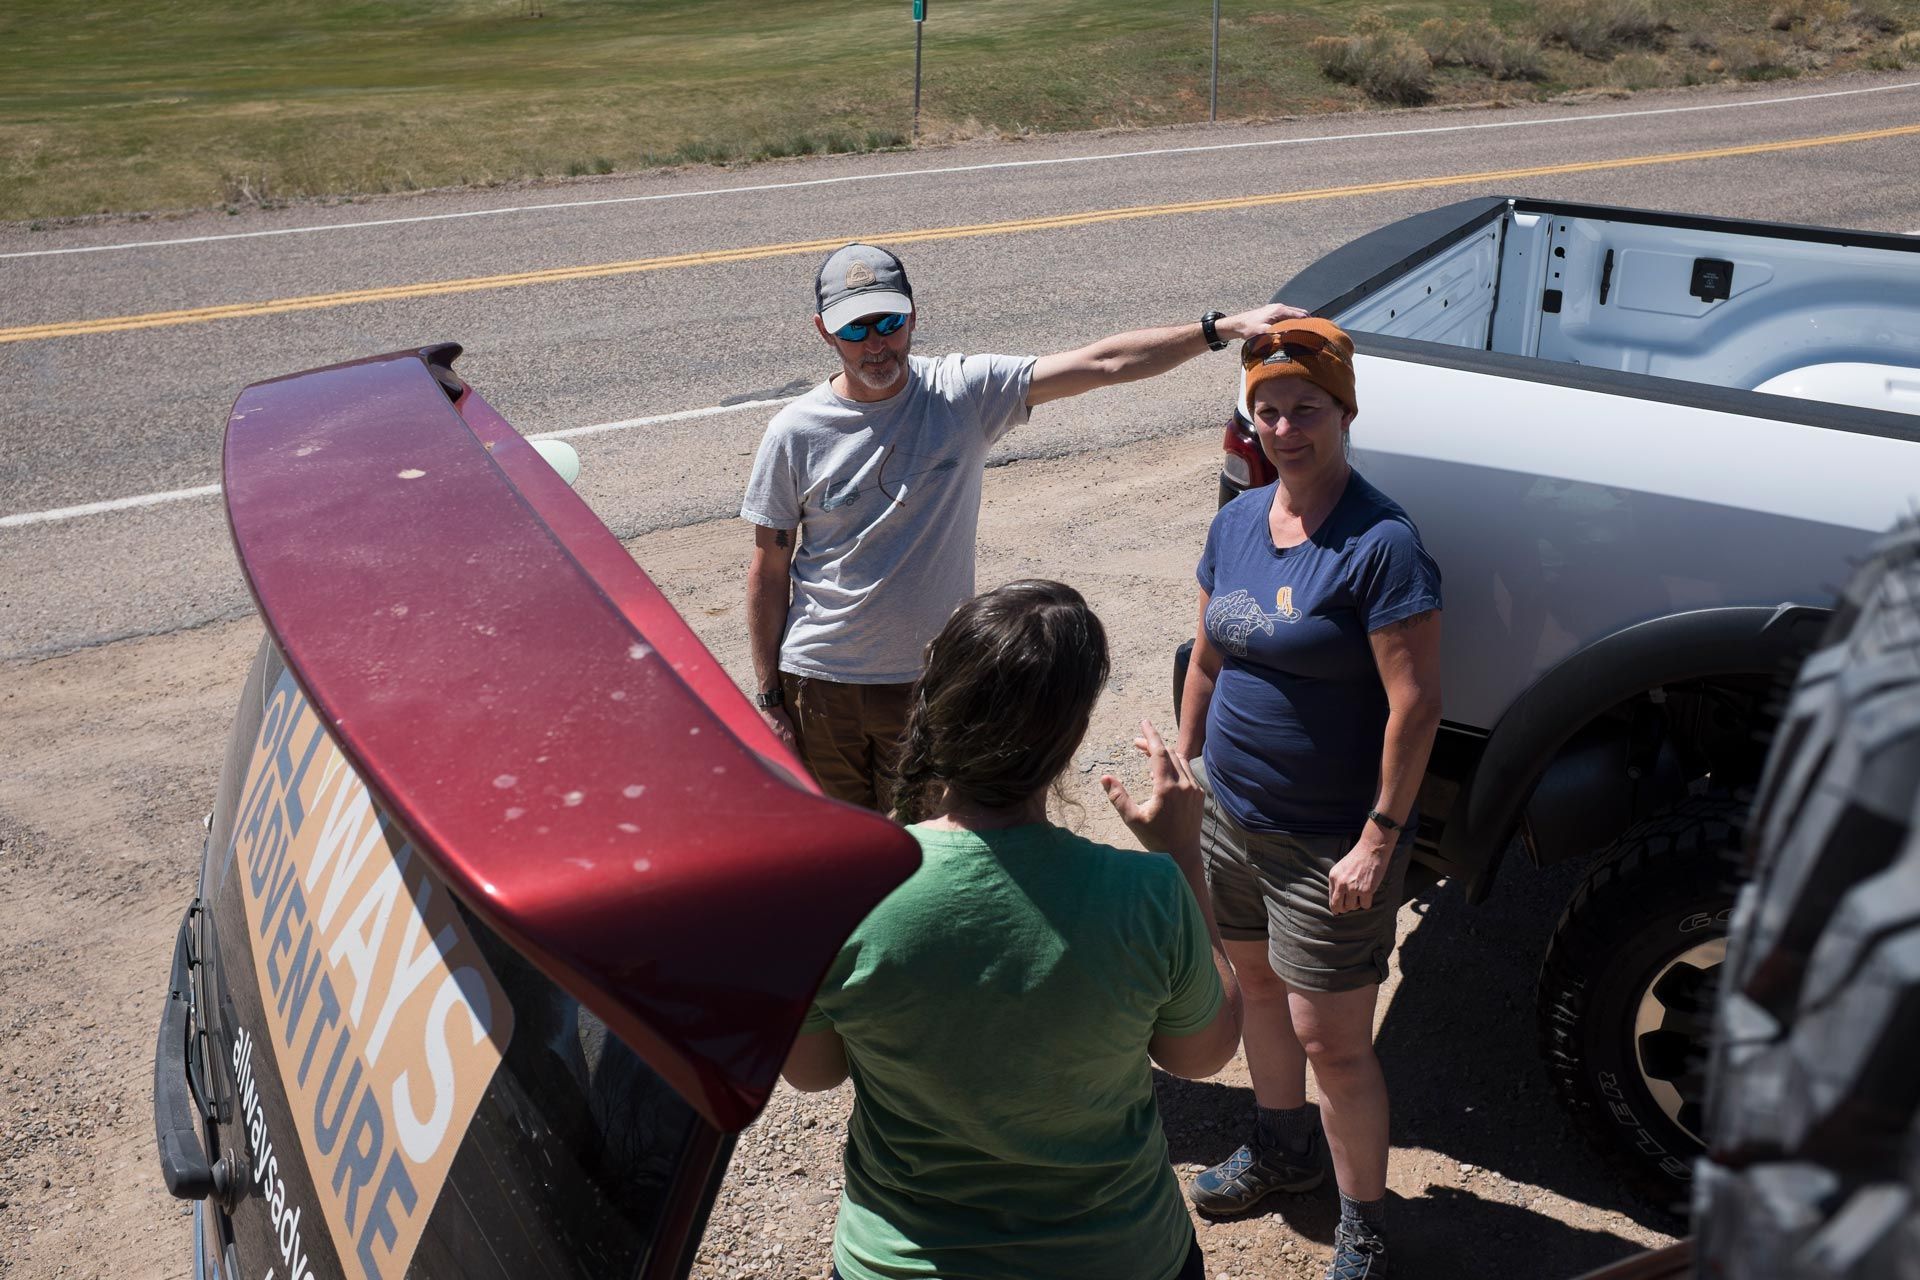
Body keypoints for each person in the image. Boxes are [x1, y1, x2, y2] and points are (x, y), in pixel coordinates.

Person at [781, 579, 1244, 1280]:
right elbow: (1202, 1055)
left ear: (934, 702)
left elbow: (812, 1073)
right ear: (1070, 737)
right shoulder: (1147, 895)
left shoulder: (834, 896)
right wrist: (1182, 854)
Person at [742, 241, 1304, 810]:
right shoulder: (797, 432)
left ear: (913, 315)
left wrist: (1223, 328)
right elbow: (769, 568)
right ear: (824, 332)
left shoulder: (961, 393)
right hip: (818, 681)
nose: (876, 344)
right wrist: (769, 699)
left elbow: (1102, 362)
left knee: (928, 847)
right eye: (854, 330)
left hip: (929, 681)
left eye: (888, 321)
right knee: (841, 849)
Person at [1174, 319, 1443, 1280]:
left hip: (1330, 839)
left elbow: (1416, 706)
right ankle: (1284, 1149)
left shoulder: (1381, 543)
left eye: (1306, 409)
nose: (1286, 428)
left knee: (1333, 1039)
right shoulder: (1239, 520)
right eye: (1269, 411)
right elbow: (1209, 650)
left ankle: (1364, 1219)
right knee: (1255, 990)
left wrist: (1378, 838)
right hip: (1232, 816)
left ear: (1344, 410)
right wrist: (1186, 751)